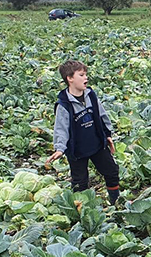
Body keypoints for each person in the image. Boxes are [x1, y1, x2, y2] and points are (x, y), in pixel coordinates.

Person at [46, 60, 121, 205]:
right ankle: (81, 212)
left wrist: (108, 135)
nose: (86, 78)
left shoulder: (91, 95)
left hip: (97, 144)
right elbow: (61, 128)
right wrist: (60, 148)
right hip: (76, 151)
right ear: (70, 78)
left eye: (86, 75)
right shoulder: (64, 104)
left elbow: (102, 115)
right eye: (81, 75)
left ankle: (115, 202)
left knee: (112, 171)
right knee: (79, 183)